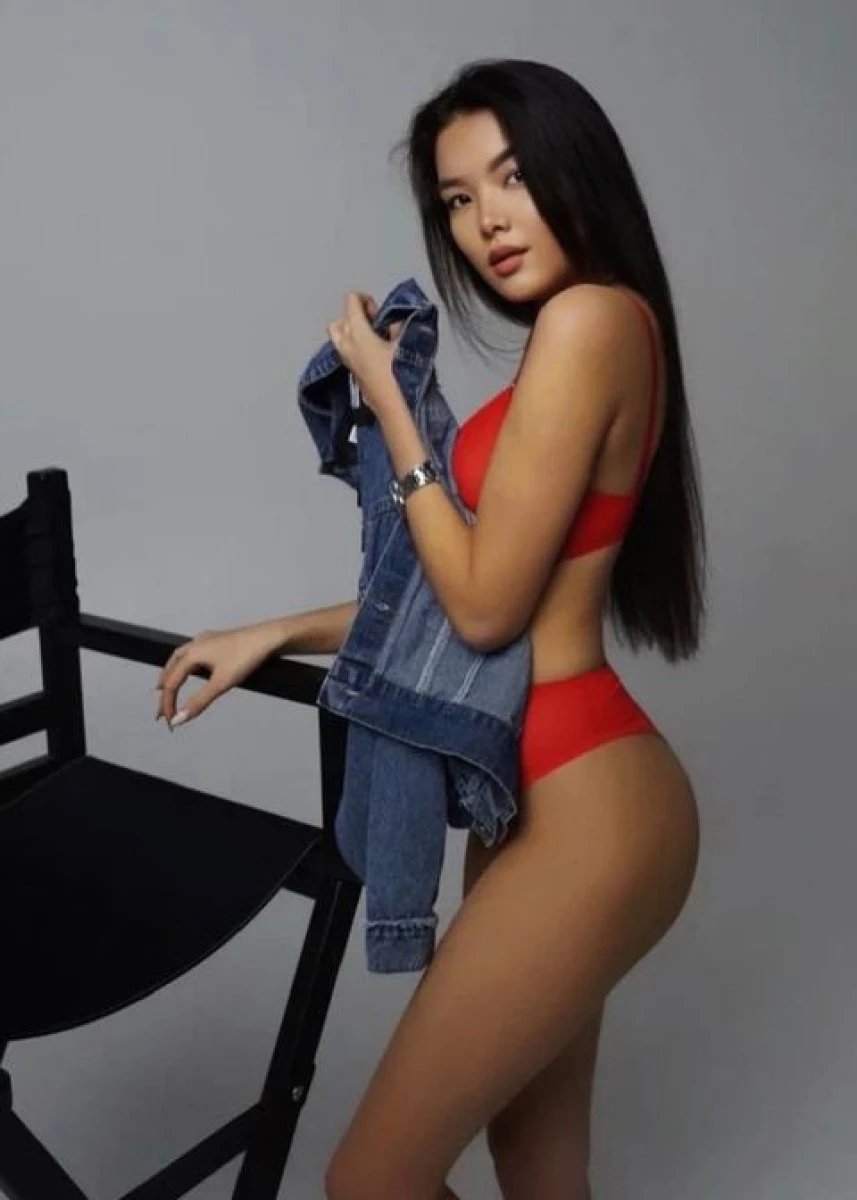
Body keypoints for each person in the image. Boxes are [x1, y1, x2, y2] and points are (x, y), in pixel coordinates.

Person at [155, 57, 706, 1200]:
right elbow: (462, 598)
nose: (485, 219)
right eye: (457, 198)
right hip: (534, 800)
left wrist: (392, 408)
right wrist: (272, 632)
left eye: (510, 177)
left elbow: (484, 605)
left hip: (588, 810)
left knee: (371, 1181)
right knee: (535, 1163)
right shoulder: (590, 334)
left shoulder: (590, 321)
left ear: (575, 171)